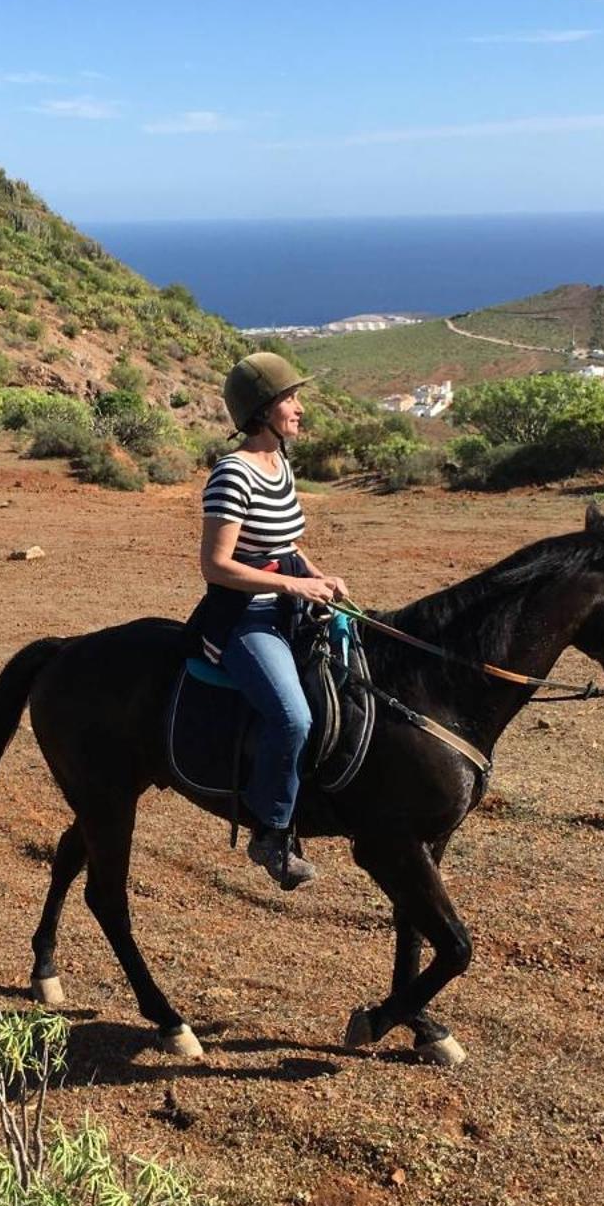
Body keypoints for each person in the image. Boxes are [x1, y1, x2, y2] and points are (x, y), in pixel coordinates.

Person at [189, 353, 349, 890]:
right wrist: (291, 584)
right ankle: (271, 830)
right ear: (261, 411)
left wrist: (319, 576)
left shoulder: (281, 462)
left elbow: (285, 544)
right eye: (289, 400)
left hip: (288, 605)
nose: (299, 410)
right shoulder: (232, 473)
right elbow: (216, 564)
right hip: (244, 618)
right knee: (293, 718)